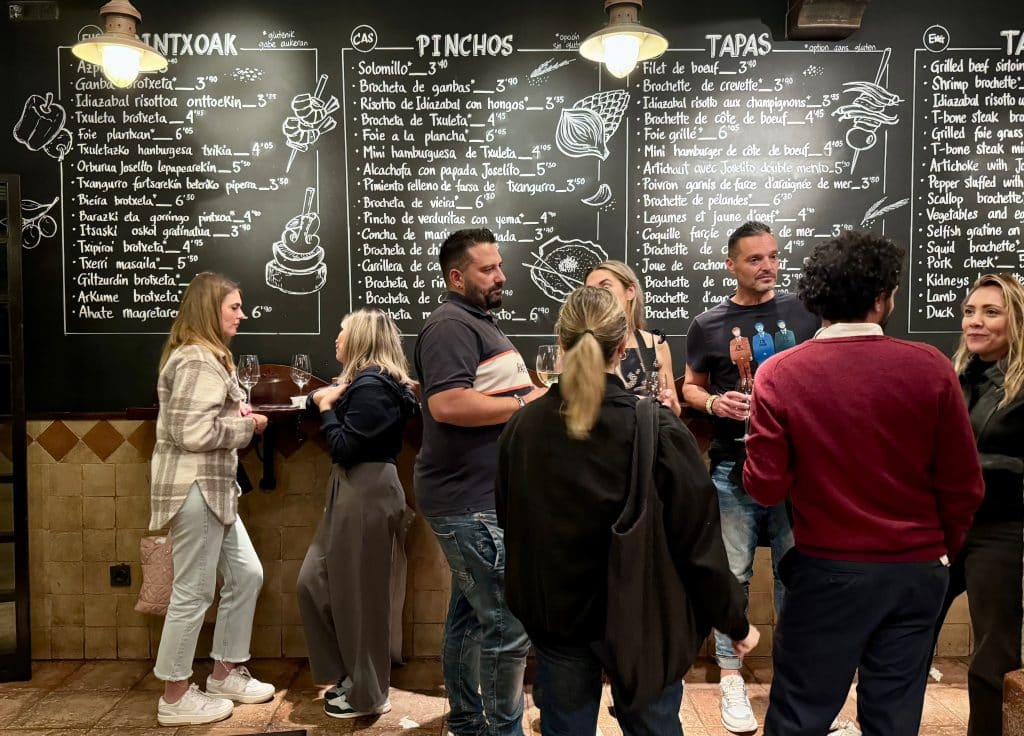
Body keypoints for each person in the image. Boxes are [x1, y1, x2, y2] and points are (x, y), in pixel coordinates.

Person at [743, 231, 984, 736]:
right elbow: (964, 485)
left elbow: (763, 487)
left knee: (799, 715)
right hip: (916, 572)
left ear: (816, 297)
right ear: (881, 298)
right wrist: (941, 552)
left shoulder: (779, 374)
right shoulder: (932, 368)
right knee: (894, 717)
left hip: (827, 570)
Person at [496, 285, 757, 736]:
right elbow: (698, 543)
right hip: (643, 615)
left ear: (561, 343)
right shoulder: (657, 429)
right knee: (652, 726)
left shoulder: (522, 426)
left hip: (556, 617)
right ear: (623, 347)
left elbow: (509, 518)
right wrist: (732, 619)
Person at [681, 221, 819, 733]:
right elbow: (689, 389)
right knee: (731, 574)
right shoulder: (708, 324)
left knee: (795, 574)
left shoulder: (806, 313)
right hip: (730, 467)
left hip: (797, 471)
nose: (768, 266)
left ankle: (793, 676)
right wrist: (715, 400)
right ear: (731, 265)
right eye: (756, 259)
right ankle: (731, 676)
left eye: (774, 257)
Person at [413, 228, 546, 736]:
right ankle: (499, 730)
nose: (500, 276)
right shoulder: (449, 326)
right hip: (468, 502)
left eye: (499, 266)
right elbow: (447, 404)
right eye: (488, 269)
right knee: (508, 625)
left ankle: (468, 722)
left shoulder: (476, 322)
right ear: (456, 276)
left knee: (470, 619)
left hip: (481, 498)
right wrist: (525, 403)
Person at [149, 272, 274, 727]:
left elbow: (198, 419)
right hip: (196, 488)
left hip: (214, 490)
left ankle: (224, 673)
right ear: (209, 310)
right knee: (193, 592)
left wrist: (232, 409)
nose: (242, 315)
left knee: (246, 574)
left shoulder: (203, 357)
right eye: (234, 307)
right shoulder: (199, 359)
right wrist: (247, 427)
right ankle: (175, 696)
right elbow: (192, 432)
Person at [296, 309, 419, 719]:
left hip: (365, 489)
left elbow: (345, 447)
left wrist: (327, 407)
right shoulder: (367, 383)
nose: (336, 338)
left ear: (361, 339)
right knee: (313, 581)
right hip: (352, 489)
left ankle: (370, 694)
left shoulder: (371, 385)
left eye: (342, 331)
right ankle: (350, 675)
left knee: (361, 599)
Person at [933, 273, 1024, 736]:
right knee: (908, 631)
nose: (975, 321)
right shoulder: (955, 375)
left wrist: (970, 466)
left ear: (1017, 320)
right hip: (946, 526)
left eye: (991, 312)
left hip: (1003, 529)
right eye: (970, 311)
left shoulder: (1021, 382)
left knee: (992, 651)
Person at [584, 260, 681, 414]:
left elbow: (674, 410)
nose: (598, 295)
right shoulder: (577, 342)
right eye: (590, 291)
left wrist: (669, 405)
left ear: (630, 291)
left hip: (643, 434)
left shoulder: (655, 344)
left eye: (606, 286)